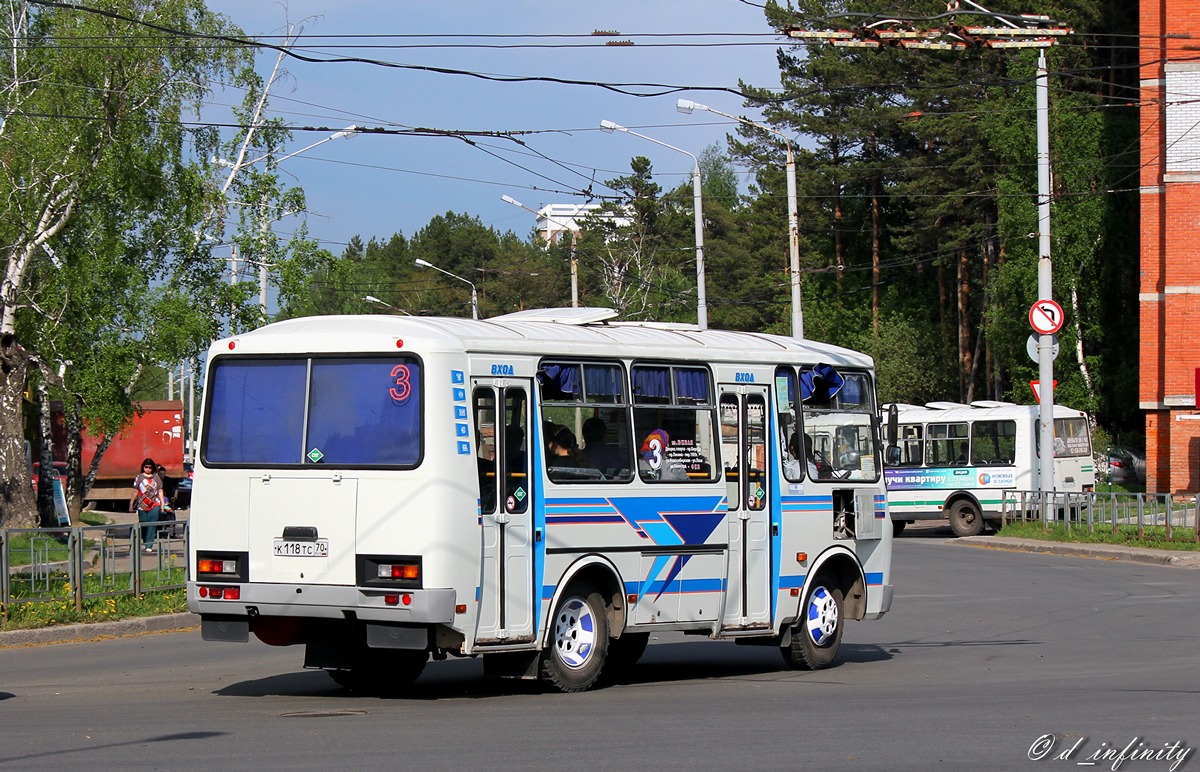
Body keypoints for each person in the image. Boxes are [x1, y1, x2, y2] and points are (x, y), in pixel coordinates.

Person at [129, 457, 165, 553]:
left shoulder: (156, 478)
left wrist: (162, 504)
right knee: (143, 523)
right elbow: (135, 491)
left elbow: (160, 491)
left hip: (154, 504)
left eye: (150, 467)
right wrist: (131, 503)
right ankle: (145, 542)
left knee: (152, 524)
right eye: (146, 467)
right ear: (143, 467)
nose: (148, 469)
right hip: (142, 505)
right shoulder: (139, 477)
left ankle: (149, 545)